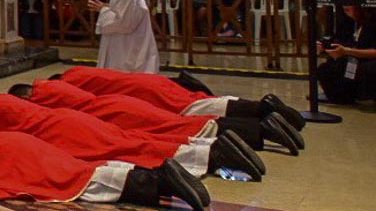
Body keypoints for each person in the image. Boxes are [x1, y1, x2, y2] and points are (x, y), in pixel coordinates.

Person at [0, 117, 209, 211]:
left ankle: (158, 179)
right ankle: (155, 174)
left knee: (75, 185)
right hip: (13, 143)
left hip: (6, 162)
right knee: (79, 169)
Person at [0, 93, 264, 181]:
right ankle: (207, 144)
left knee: (130, 146)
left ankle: (210, 154)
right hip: (74, 121)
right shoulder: (3, 100)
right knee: (133, 138)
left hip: (65, 133)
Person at [9, 78, 301, 155]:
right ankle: (263, 116)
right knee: (195, 109)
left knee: (189, 122)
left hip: (117, 112)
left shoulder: (43, 98)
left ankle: (262, 125)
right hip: (123, 101)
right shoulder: (65, 84)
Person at [57, 66, 306, 137]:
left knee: (196, 108)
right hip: (150, 82)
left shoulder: (65, 85)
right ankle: (262, 110)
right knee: (199, 102)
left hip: (147, 93)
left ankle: (264, 109)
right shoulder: (77, 71)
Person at [317, 0, 376, 103]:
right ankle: (344, 97)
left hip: (369, 62)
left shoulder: (372, 21)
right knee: (326, 69)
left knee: (365, 69)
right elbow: (346, 41)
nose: (348, 14)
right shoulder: (353, 22)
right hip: (357, 58)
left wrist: (347, 51)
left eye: (348, 10)